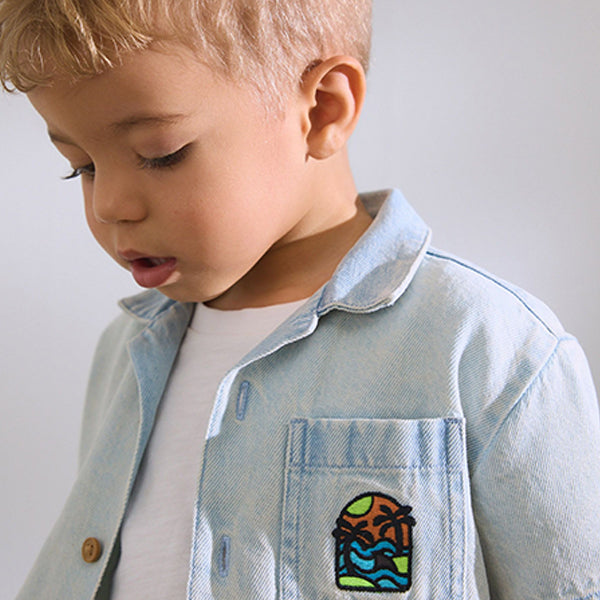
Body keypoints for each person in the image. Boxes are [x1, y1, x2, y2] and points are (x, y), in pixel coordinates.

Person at [1, 0, 599, 598]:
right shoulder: (126, 352)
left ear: (321, 111)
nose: (109, 205)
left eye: (161, 153)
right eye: (80, 166)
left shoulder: (488, 348)